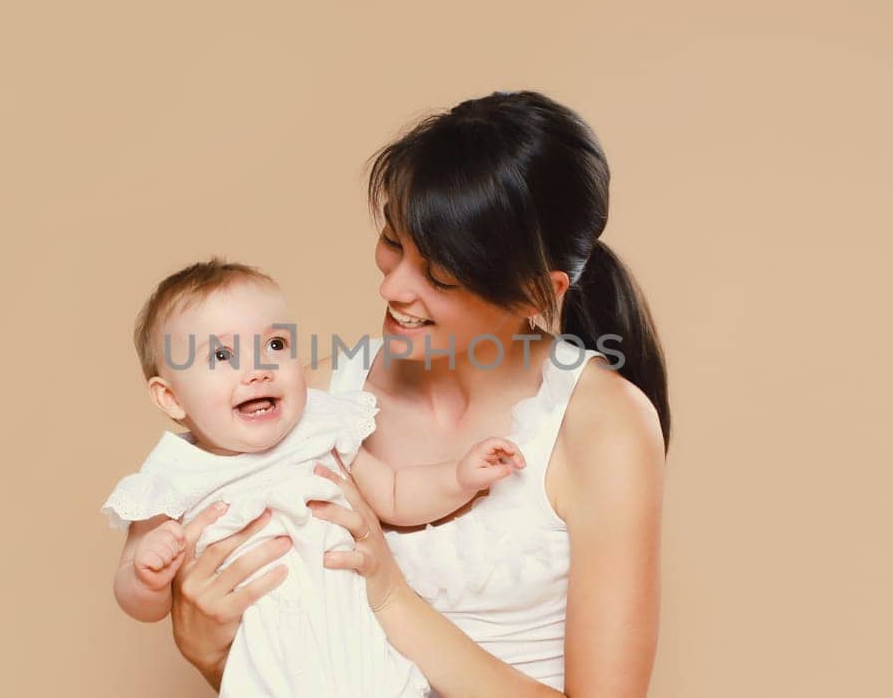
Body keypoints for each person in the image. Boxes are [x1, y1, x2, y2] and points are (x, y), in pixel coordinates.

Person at [163, 90, 671, 696]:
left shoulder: (602, 425)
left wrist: (390, 596)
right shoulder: (317, 398)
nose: (394, 289)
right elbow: (284, 658)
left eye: (439, 276)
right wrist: (205, 647)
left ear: (538, 292)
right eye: (393, 242)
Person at [104, 259, 530, 696]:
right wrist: (146, 575)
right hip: (271, 676)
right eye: (221, 355)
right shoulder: (174, 474)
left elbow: (395, 495)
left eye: (273, 344)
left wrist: (460, 478)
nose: (257, 370)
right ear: (171, 398)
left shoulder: (320, 427)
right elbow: (136, 597)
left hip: (363, 654)